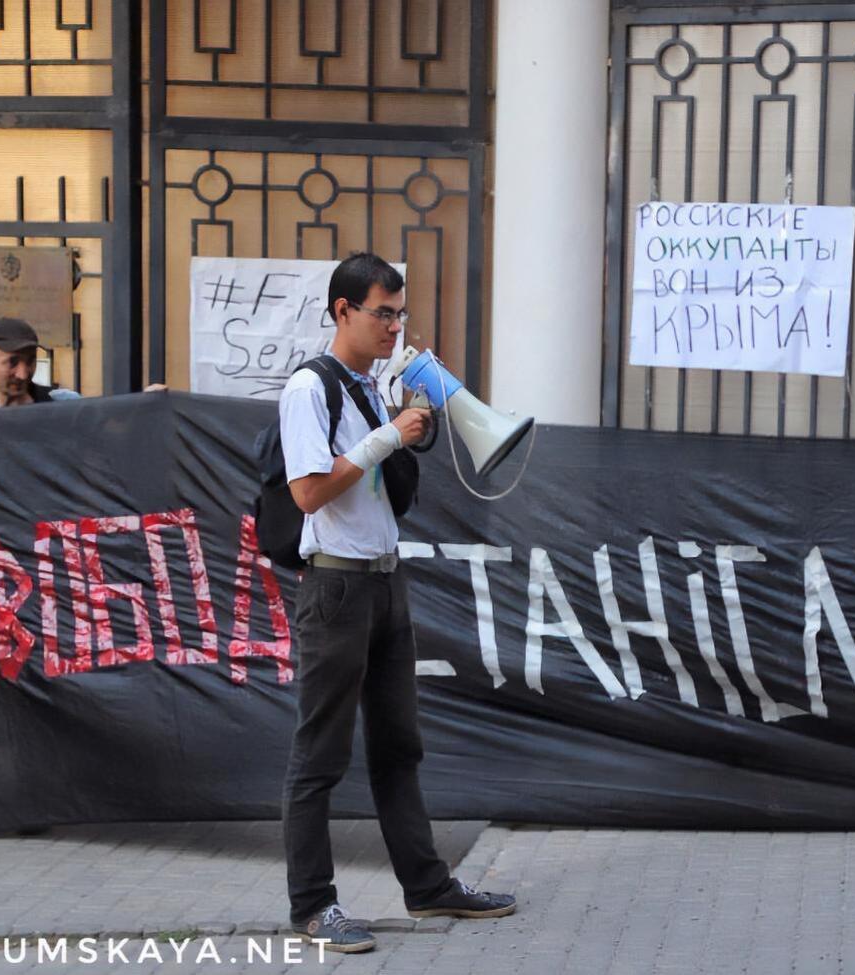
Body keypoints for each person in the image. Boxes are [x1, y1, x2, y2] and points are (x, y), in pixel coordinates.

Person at [278, 253, 515, 954]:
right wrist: (391, 435)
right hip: (337, 584)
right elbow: (309, 493)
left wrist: (410, 418)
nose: (394, 325)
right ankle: (312, 905)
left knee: (397, 745)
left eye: (399, 312)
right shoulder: (308, 389)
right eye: (382, 312)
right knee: (319, 752)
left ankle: (426, 883)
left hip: (383, 580)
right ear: (343, 310)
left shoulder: (365, 388)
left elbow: (387, 486)